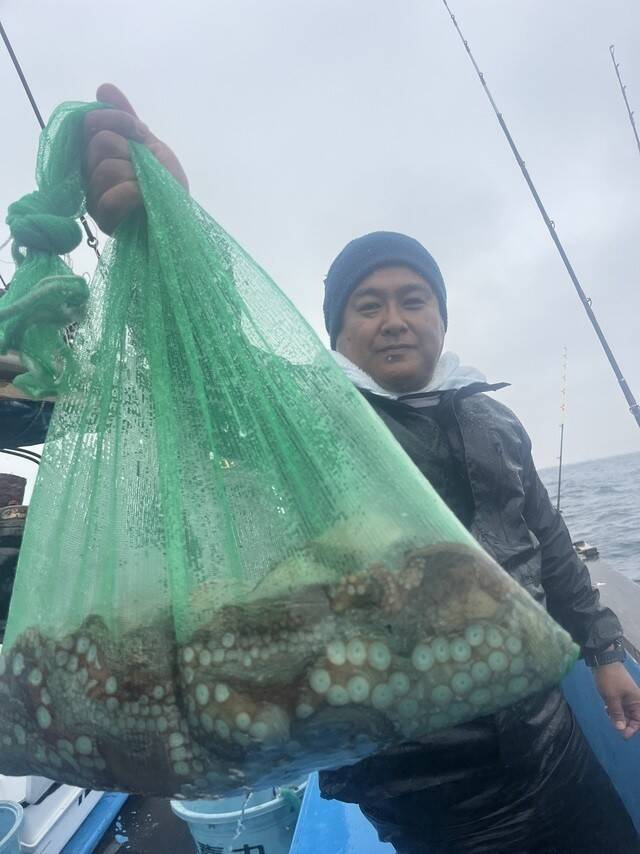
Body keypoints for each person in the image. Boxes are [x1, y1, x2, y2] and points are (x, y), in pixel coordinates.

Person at [4, 84, 640, 852]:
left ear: (442, 315)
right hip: (417, 775)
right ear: (337, 330)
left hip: (548, 736)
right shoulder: (315, 418)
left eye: (414, 299)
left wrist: (604, 652)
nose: (395, 318)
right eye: (368, 305)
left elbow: (548, 539)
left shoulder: (494, 419)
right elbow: (214, 376)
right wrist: (173, 232)